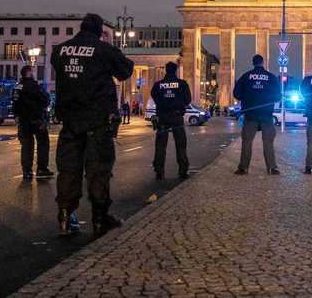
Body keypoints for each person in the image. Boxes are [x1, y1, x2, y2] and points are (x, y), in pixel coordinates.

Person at [51, 13, 134, 237]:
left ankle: (65, 217)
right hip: (98, 120)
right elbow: (125, 70)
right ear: (100, 31)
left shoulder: (59, 51)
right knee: (99, 170)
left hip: (70, 120)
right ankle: (99, 219)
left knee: (68, 169)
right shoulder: (103, 50)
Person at [233, 54, 282, 175]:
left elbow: (236, 94)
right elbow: (278, 96)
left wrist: (248, 97)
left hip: (250, 115)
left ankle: (243, 168)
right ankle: (272, 168)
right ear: (263, 62)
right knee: (268, 142)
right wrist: (266, 99)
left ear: (253, 63)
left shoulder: (246, 76)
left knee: (247, 142)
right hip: (266, 115)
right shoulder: (271, 77)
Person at [150, 62, 191, 181]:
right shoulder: (182, 84)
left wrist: (162, 104)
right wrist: (179, 104)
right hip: (177, 116)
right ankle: (183, 171)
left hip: (162, 117)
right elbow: (188, 99)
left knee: (160, 146)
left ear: (166, 70)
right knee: (181, 145)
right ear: (175, 70)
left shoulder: (158, 84)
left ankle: (159, 171)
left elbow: (154, 96)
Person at [13, 65, 53, 180]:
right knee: (43, 143)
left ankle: (27, 171)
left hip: (23, 121)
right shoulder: (35, 86)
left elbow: (15, 103)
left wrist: (17, 115)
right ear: (29, 73)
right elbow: (45, 99)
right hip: (36, 119)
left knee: (26, 146)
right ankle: (41, 169)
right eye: (32, 71)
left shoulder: (18, 87)